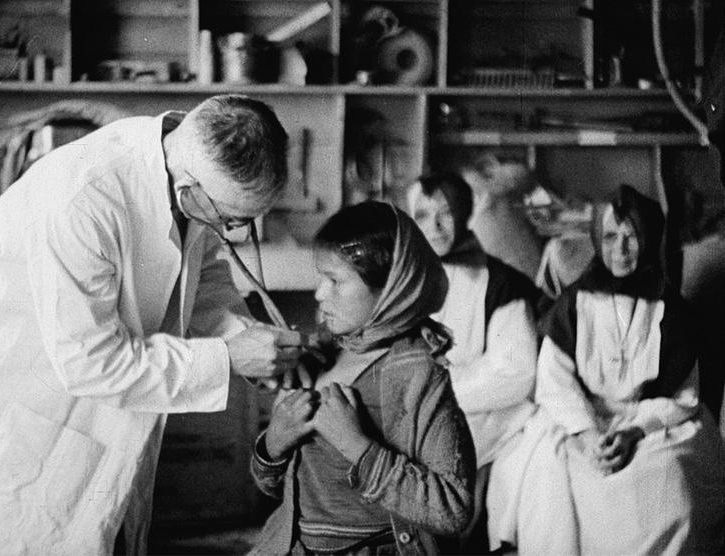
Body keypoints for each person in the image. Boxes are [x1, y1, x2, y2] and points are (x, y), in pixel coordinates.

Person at [0, 94, 306, 555]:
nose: (233, 234)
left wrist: (252, 342)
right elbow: (93, 363)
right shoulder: (82, 198)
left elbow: (203, 285)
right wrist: (226, 357)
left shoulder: (187, 177)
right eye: (232, 220)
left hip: (96, 432)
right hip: (28, 431)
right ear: (190, 190)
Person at [503, 185, 725, 554]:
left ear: (650, 239)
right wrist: (588, 433)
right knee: (550, 476)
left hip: (652, 424)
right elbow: (554, 381)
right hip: (580, 418)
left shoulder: (672, 311)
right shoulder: (574, 303)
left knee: (669, 482)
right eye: (609, 236)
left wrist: (633, 433)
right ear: (596, 239)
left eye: (631, 236)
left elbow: (685, 396)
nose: (620, 249)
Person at [250, 201, 476, 556]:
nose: (319, 293)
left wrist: (357, 445)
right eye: (321, 277)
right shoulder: (324, 358)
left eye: (335, 280)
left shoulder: (417, 374)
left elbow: (452, 509)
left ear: (389, 289)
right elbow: (275, 488)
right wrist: (273, 445)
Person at [406, 173, 540, 548]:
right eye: (422, 215)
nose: (434, 227)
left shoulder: (501, 284)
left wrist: (442, 391)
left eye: (445, 214)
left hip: (483, 417)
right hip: (420, 414)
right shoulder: (400, 281)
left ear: (465, 213)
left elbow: (517, 373)